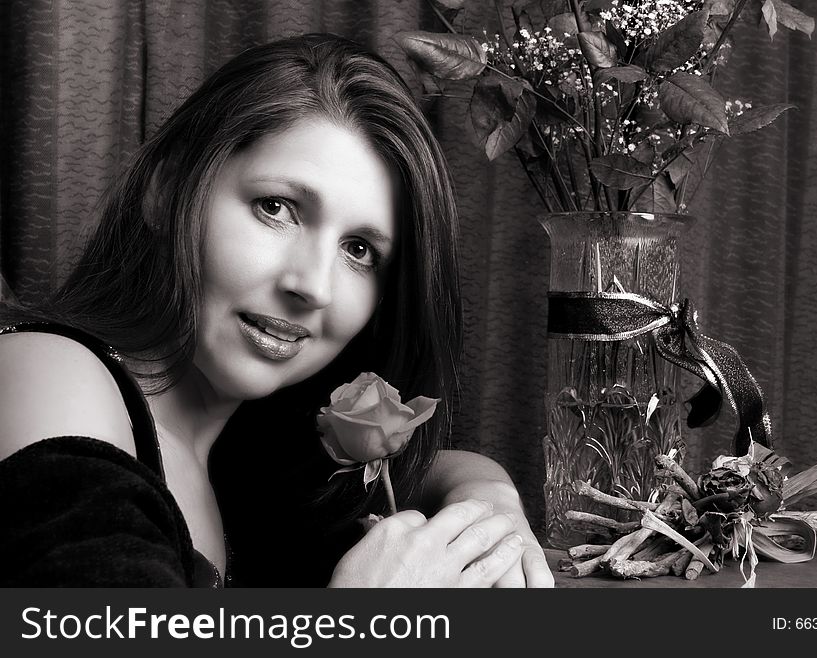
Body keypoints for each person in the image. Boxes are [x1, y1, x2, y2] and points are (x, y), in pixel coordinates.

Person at [0, 33, 553, 588]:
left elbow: (432, 467)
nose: (312, 285)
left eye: (359, 250)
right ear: (164, 192)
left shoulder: (246, 445)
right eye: (276, 208)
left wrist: (490, 502)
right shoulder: (51, 373)